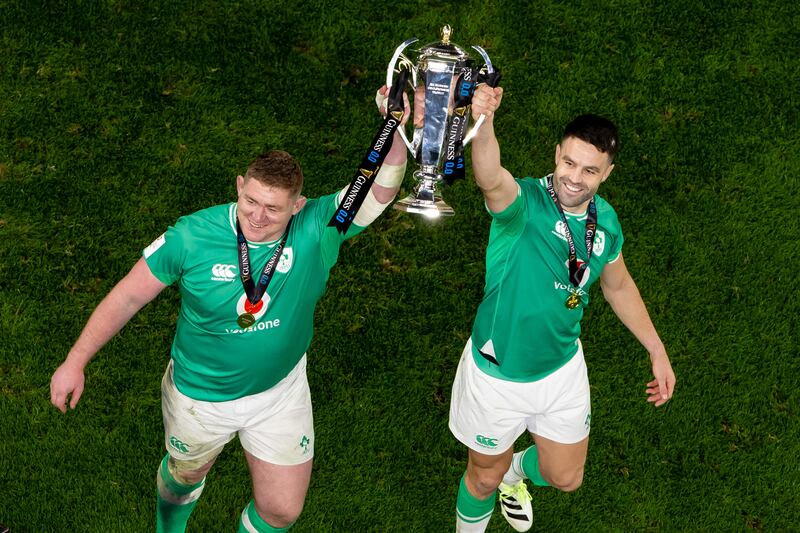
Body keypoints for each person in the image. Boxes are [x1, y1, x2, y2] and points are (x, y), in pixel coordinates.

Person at [50, 87, 408, 533]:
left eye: (274, 209)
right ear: (239, 186)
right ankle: (168, 529)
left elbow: (380, 189)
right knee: (185, 477)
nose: (258, 217)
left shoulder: (319, 228)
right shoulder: (191, 236)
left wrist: (393, 126)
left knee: (282, 511)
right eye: (251, 201)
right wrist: (76, 360)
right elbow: (128, 295)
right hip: (201, 399)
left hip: (280, 392)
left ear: (297, 206)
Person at [449, 84, 676, 532]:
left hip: (561, 369)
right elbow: (491, 177)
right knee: (482, 477)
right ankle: (495, 484)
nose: (575, 177)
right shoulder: (524, 206)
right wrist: (485, 122)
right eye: (569, 163)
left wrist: (655, 347)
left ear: (606, 173)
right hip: (498, 373)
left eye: (590, 170)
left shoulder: (605, 223)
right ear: (556, 154)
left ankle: (516, 475)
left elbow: (618, 285)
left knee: (565, 477)